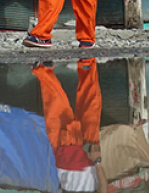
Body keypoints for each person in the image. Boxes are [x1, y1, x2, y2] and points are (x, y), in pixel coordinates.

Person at [33, 58, 106, 192]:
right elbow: (103, 188)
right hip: (88, 153)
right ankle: (87, 63)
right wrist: (97, 162)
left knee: (55, 106)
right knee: (90, 104)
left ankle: (42, 68)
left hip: (61, 154)